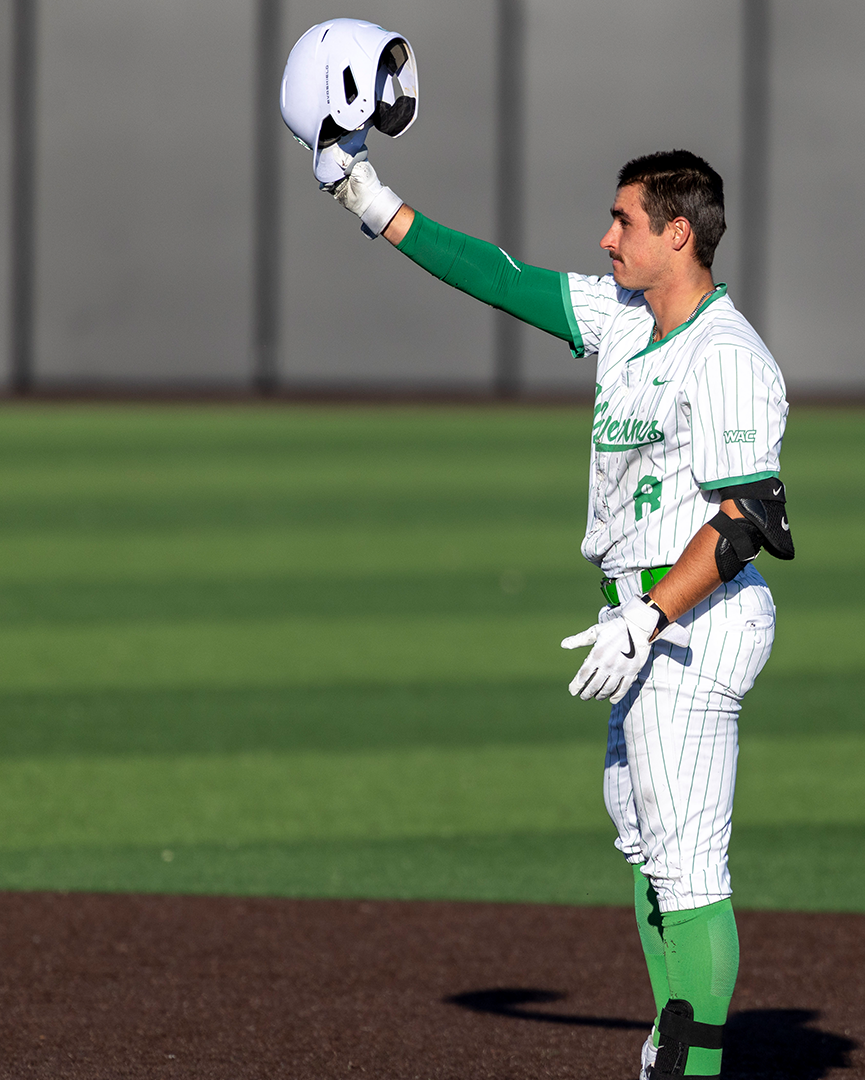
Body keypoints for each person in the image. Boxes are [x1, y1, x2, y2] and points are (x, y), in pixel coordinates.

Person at [327, 148, 791, 1080]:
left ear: (679, 233)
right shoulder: (624, 317)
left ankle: (692, 1066)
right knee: (647, 845)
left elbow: (749, 519)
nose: (606, 237)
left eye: (624, 221)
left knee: (688, 865)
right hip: (641, 620)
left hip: (692, 623)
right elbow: (500, 279)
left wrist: (648, 618)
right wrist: (369, 198)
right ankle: (672, 1042)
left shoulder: (730, 357)